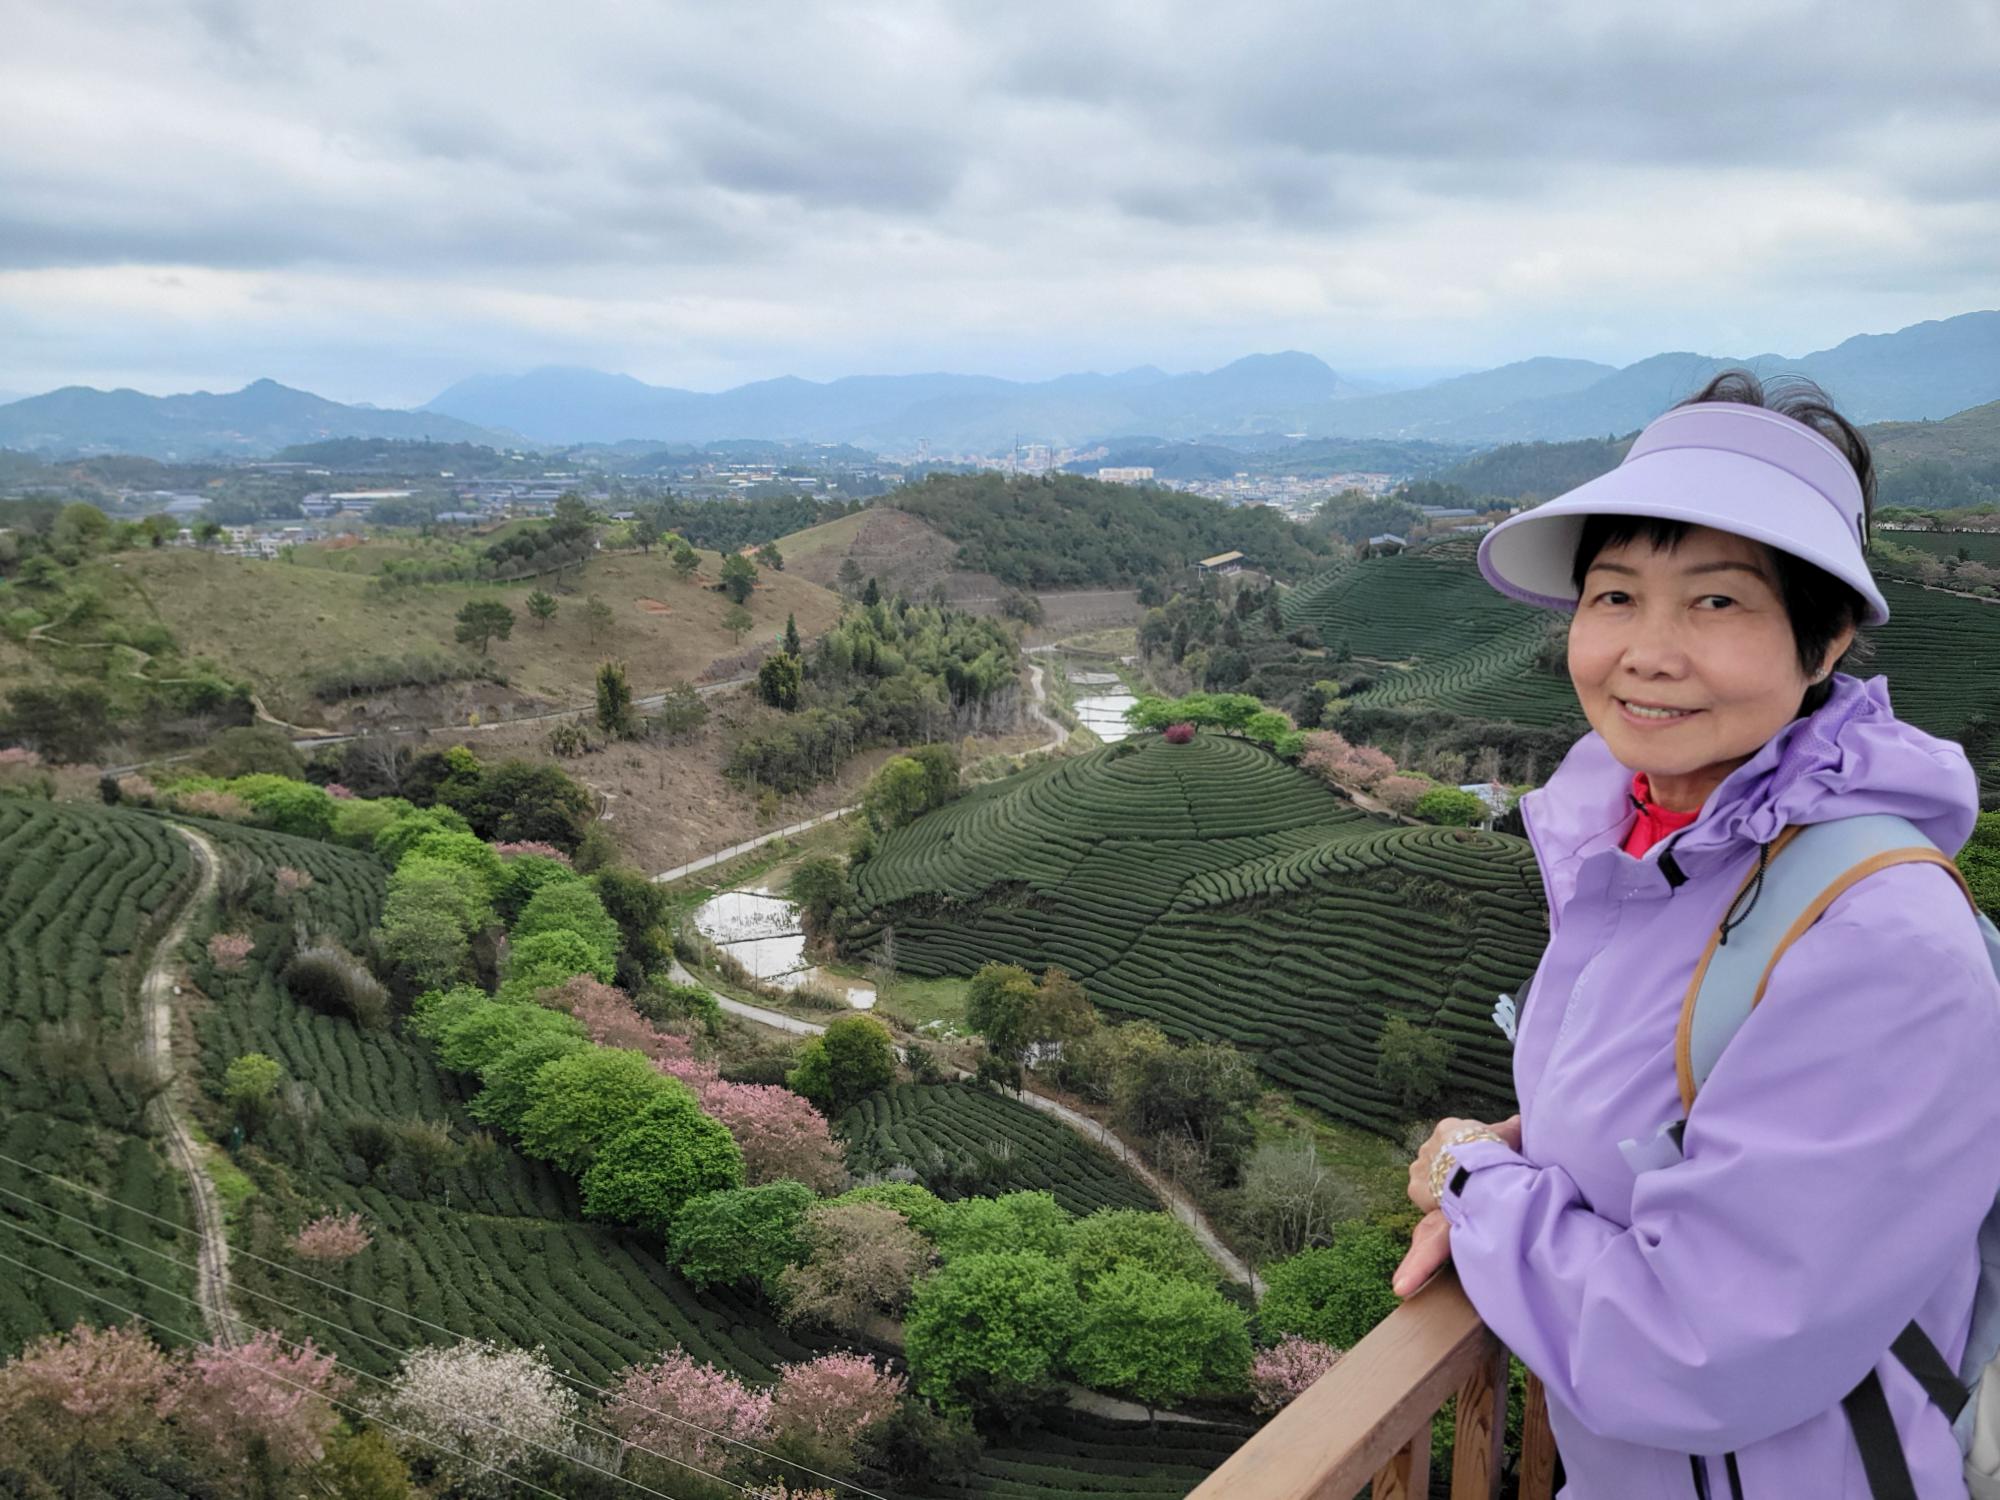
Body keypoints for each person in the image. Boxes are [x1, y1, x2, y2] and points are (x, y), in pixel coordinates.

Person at [1389, 371, 2000, 1499]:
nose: (1648, 651)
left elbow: (1694, 1345)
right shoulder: (1646, 861)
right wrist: (1513, 1154)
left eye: (1716, 602)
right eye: (1615, 596)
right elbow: (1659, 1127)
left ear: (1824, 642)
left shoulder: (1878, 936)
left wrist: (1472, 1182)